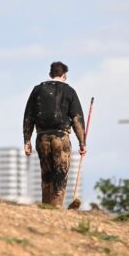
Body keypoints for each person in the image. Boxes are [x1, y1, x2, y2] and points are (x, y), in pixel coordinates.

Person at [23, 61, 86, 207]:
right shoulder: (69, 91)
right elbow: (77, 119)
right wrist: (82, 143)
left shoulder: (37, 90)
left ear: (50, 74)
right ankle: (56, 208)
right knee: (60, 175)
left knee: (46, 175)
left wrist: (27, 141)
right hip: (61, 137)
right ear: (64, 75)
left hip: (42, 137)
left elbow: (28, 117)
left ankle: (46, 207)